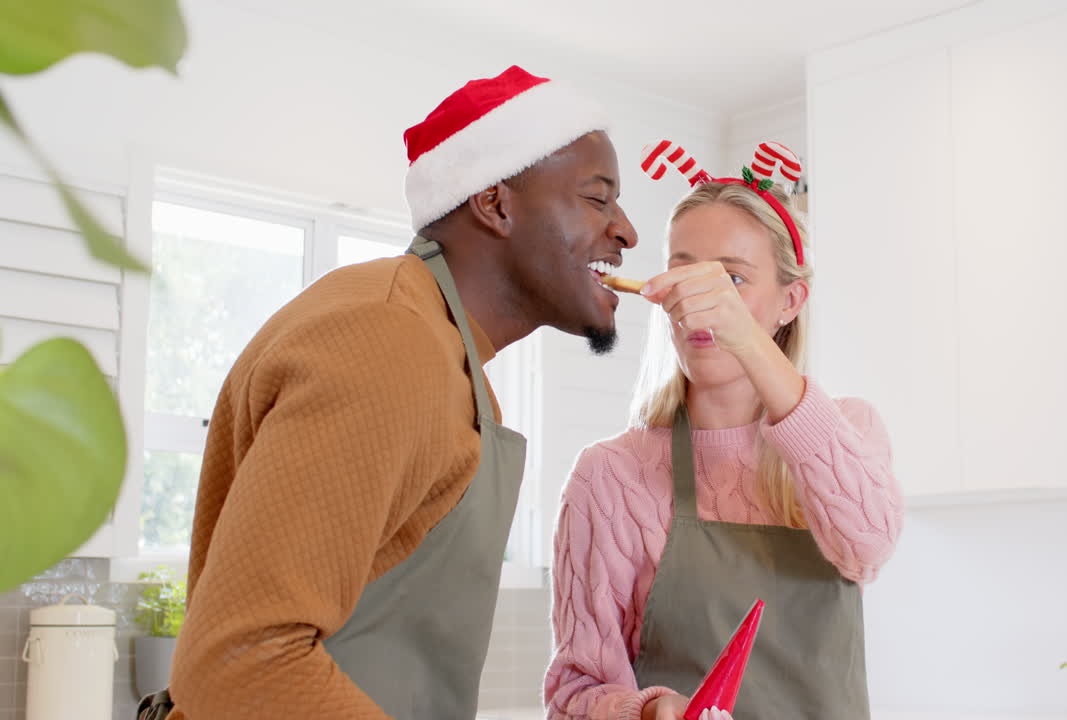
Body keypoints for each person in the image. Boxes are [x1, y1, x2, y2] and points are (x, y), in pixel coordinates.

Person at [146, 66, 639, 720]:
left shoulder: (448, 359)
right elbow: (244, 658)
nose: (628, 231)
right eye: (598, 199)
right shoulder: (387, 339)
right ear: (495, 205)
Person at [543, 142, 904, 720]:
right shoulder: (610, 476)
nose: (699, 302)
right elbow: (571, 694)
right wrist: (651, 711)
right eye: (684, 274)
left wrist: (748, 342)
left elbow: (869, 541)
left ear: (790, 301)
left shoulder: (850, 429)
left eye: (732, 279)